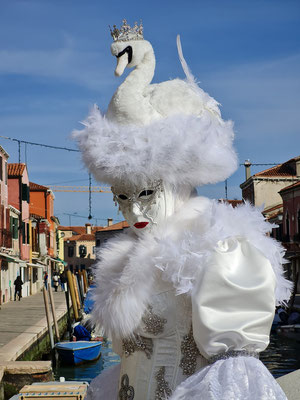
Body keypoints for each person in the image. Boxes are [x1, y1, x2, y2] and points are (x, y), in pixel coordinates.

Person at [74, 20, 291, 400]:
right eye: (121, 198)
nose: (133, 210)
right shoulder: (127, 255)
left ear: (177, 179)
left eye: (145, 191)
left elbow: (233, 381)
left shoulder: (217, 248)